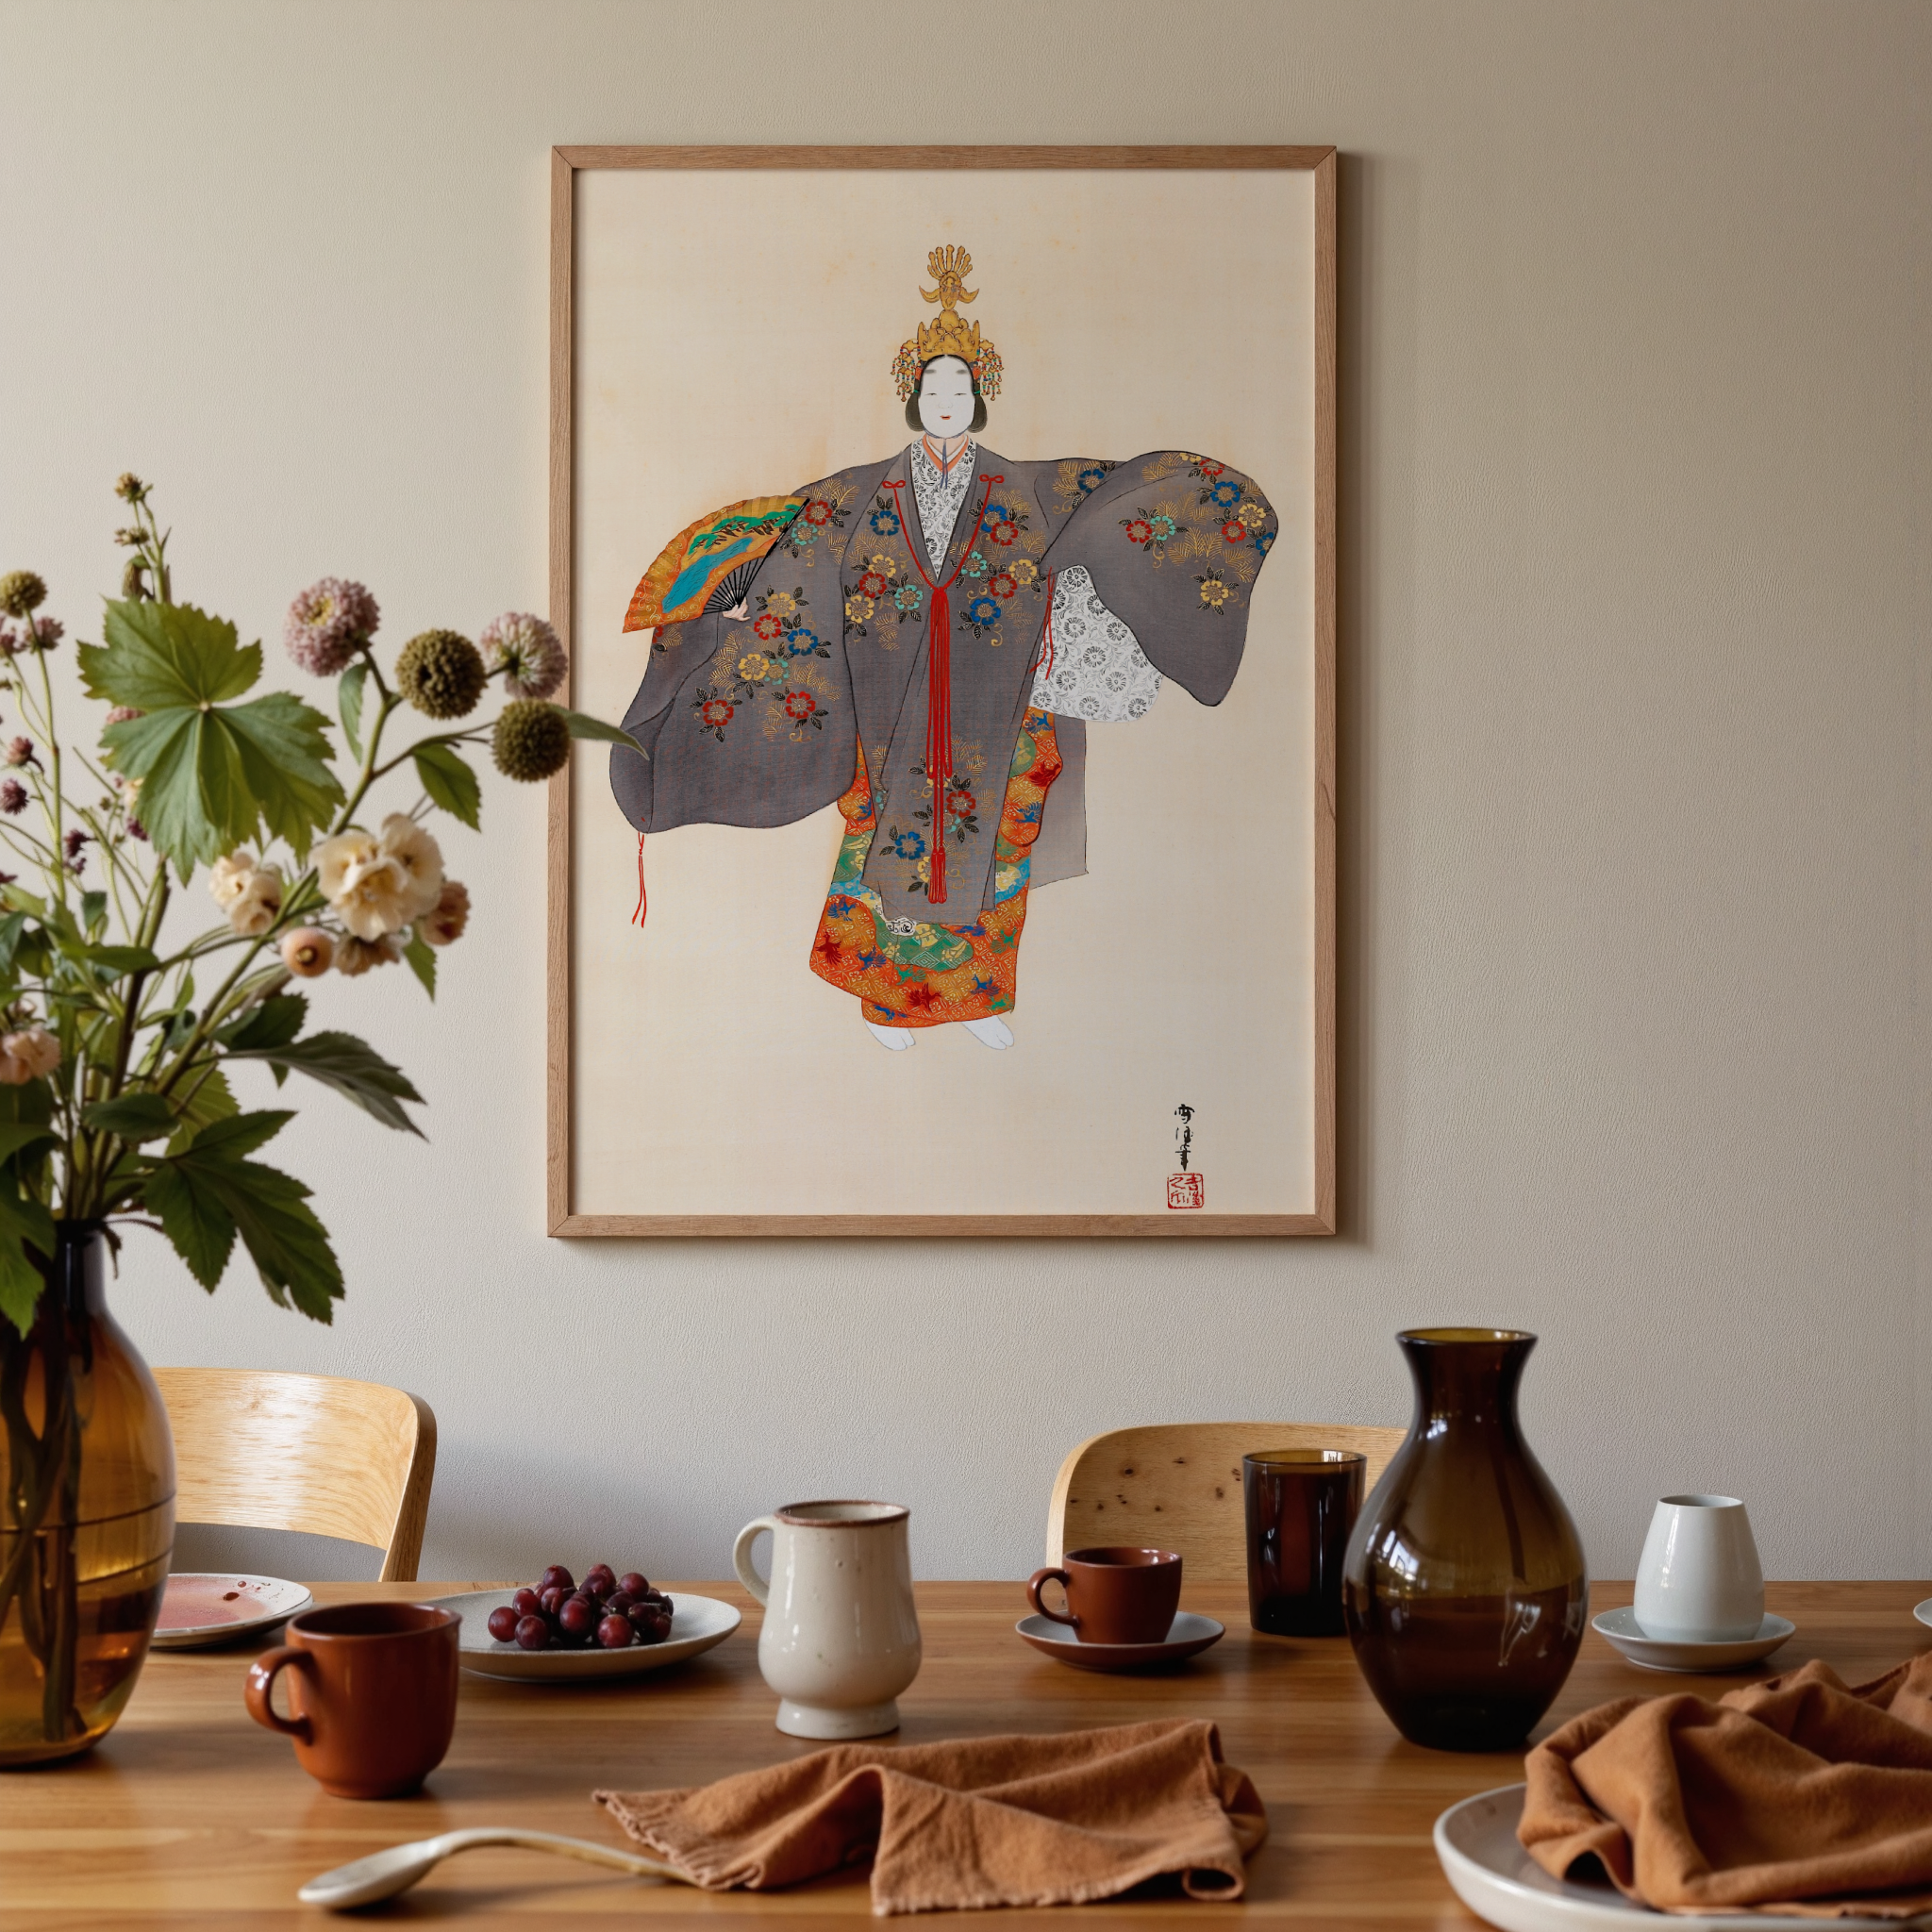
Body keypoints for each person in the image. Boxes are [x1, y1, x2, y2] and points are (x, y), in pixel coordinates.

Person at [610, 245, 1279, 1051]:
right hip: (887, 701)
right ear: (913, 396)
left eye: (961, 387)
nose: (948, 399)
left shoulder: (1027, 489)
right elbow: (797, 543)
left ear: (980, 395)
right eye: (934, 387)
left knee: (1000, 839)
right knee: (880, 841)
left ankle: (983, 997)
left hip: (997, 705)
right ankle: (882, 999)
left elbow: (1115, 509)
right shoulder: (858, 495)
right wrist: (752, 596)